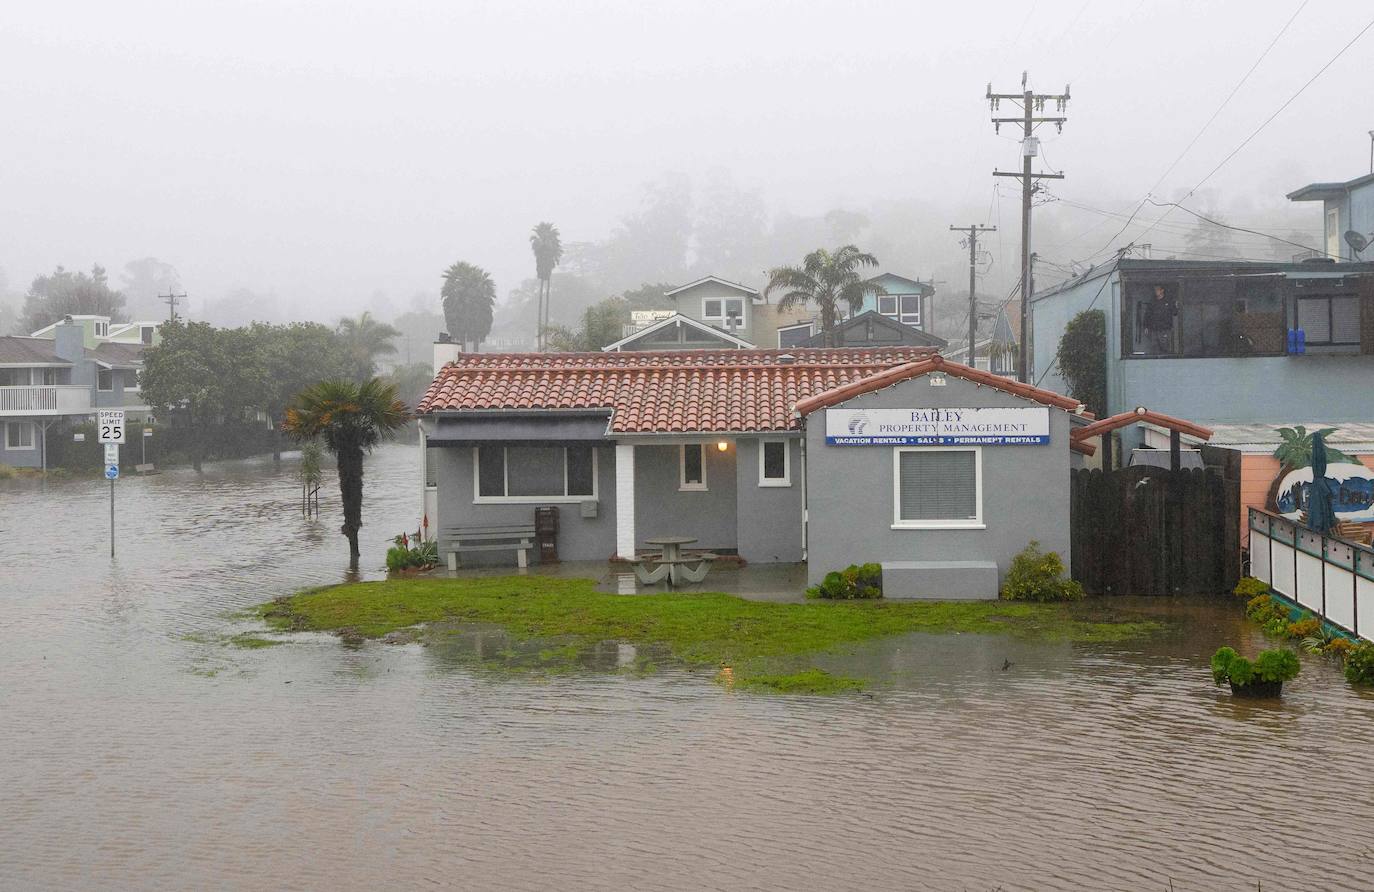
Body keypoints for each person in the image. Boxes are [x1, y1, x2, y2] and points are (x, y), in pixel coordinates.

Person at [1142, 284, 1177, 354]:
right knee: (1154, 348)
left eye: (1157, 289)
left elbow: (1175, 313)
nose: (1156, 291)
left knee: (1165, 348)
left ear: (1162, 290)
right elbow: (1147, 315)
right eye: (1155, 290)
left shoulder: (1168, 301)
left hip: (1165, 329)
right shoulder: (1152, 302)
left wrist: (1176, 306)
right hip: (1154, 330)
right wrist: (1146, 326)